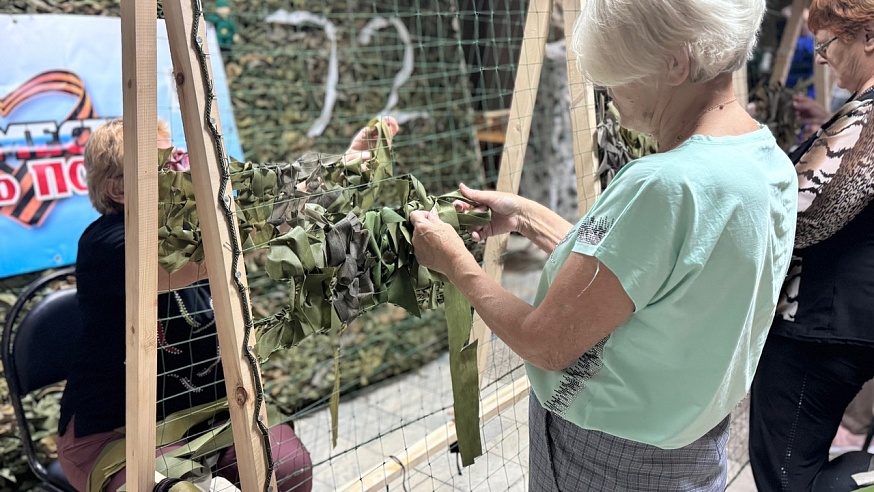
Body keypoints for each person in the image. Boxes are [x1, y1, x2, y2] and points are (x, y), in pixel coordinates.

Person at [411, 0, 797, 490]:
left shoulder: (665, 184)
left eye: (618, 72)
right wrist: (526, 216)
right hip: (690, 448)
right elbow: (635, 278)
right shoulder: (766, 163)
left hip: (608, 459)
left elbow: (545, 342)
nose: (611, 94)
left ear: (675, 63)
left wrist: (452, 260)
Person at [57, 117, 398, 491]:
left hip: (210, 409)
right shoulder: (106, 243)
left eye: (181, 157)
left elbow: (254, 219)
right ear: (118, 189)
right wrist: (311, 198)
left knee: (288, 468)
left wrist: (344, 169)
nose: (184, 168)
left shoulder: (189, 227)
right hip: (115, 429)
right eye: (166, 164)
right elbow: (228, 244)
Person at [748, 1, 874, 490]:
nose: (820, 58)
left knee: (786, 476)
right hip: (837, 321)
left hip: (819, 328)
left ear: (868, 36)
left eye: (826, 45)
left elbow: (805, 216)